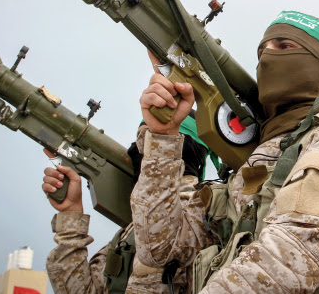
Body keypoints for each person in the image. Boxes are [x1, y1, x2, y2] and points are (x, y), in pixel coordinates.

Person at [132, 11, 319, 292]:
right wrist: (163, 138)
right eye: (262, 53)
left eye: (285, 47)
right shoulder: (252, 166)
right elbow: (161, 248)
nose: (268, 59)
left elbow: (284, 264)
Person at [43, 114, 215, 294]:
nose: (136, 150)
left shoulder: (205, 218)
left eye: (149, 140)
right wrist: (71, 215)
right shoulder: (129, 235)